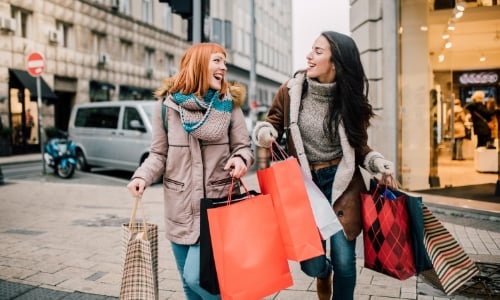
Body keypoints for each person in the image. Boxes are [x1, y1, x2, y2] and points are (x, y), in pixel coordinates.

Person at [252, 31, 393, 300]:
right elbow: (272, 121)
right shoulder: (291, 91)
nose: (309, 55)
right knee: (311, 262)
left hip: (342, 184)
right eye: (311, 49)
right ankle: (322, 273)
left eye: (318, 51)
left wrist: (378, 163)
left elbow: (359, 147)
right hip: (304, 184)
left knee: (344, 260)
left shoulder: (350, 100)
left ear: (336, 62)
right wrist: (264, 132)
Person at [127, 42, 254, 300]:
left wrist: (240, 159)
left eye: (224, 62)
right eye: (217, 61)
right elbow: (158, 153)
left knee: (196, 278)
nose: (224, 67)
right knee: (188, 285)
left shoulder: (230, 105)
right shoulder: (166, 107)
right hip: (180, 208)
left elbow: (244, 147)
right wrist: (142, 175)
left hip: (218, 207)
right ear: (198, 64)